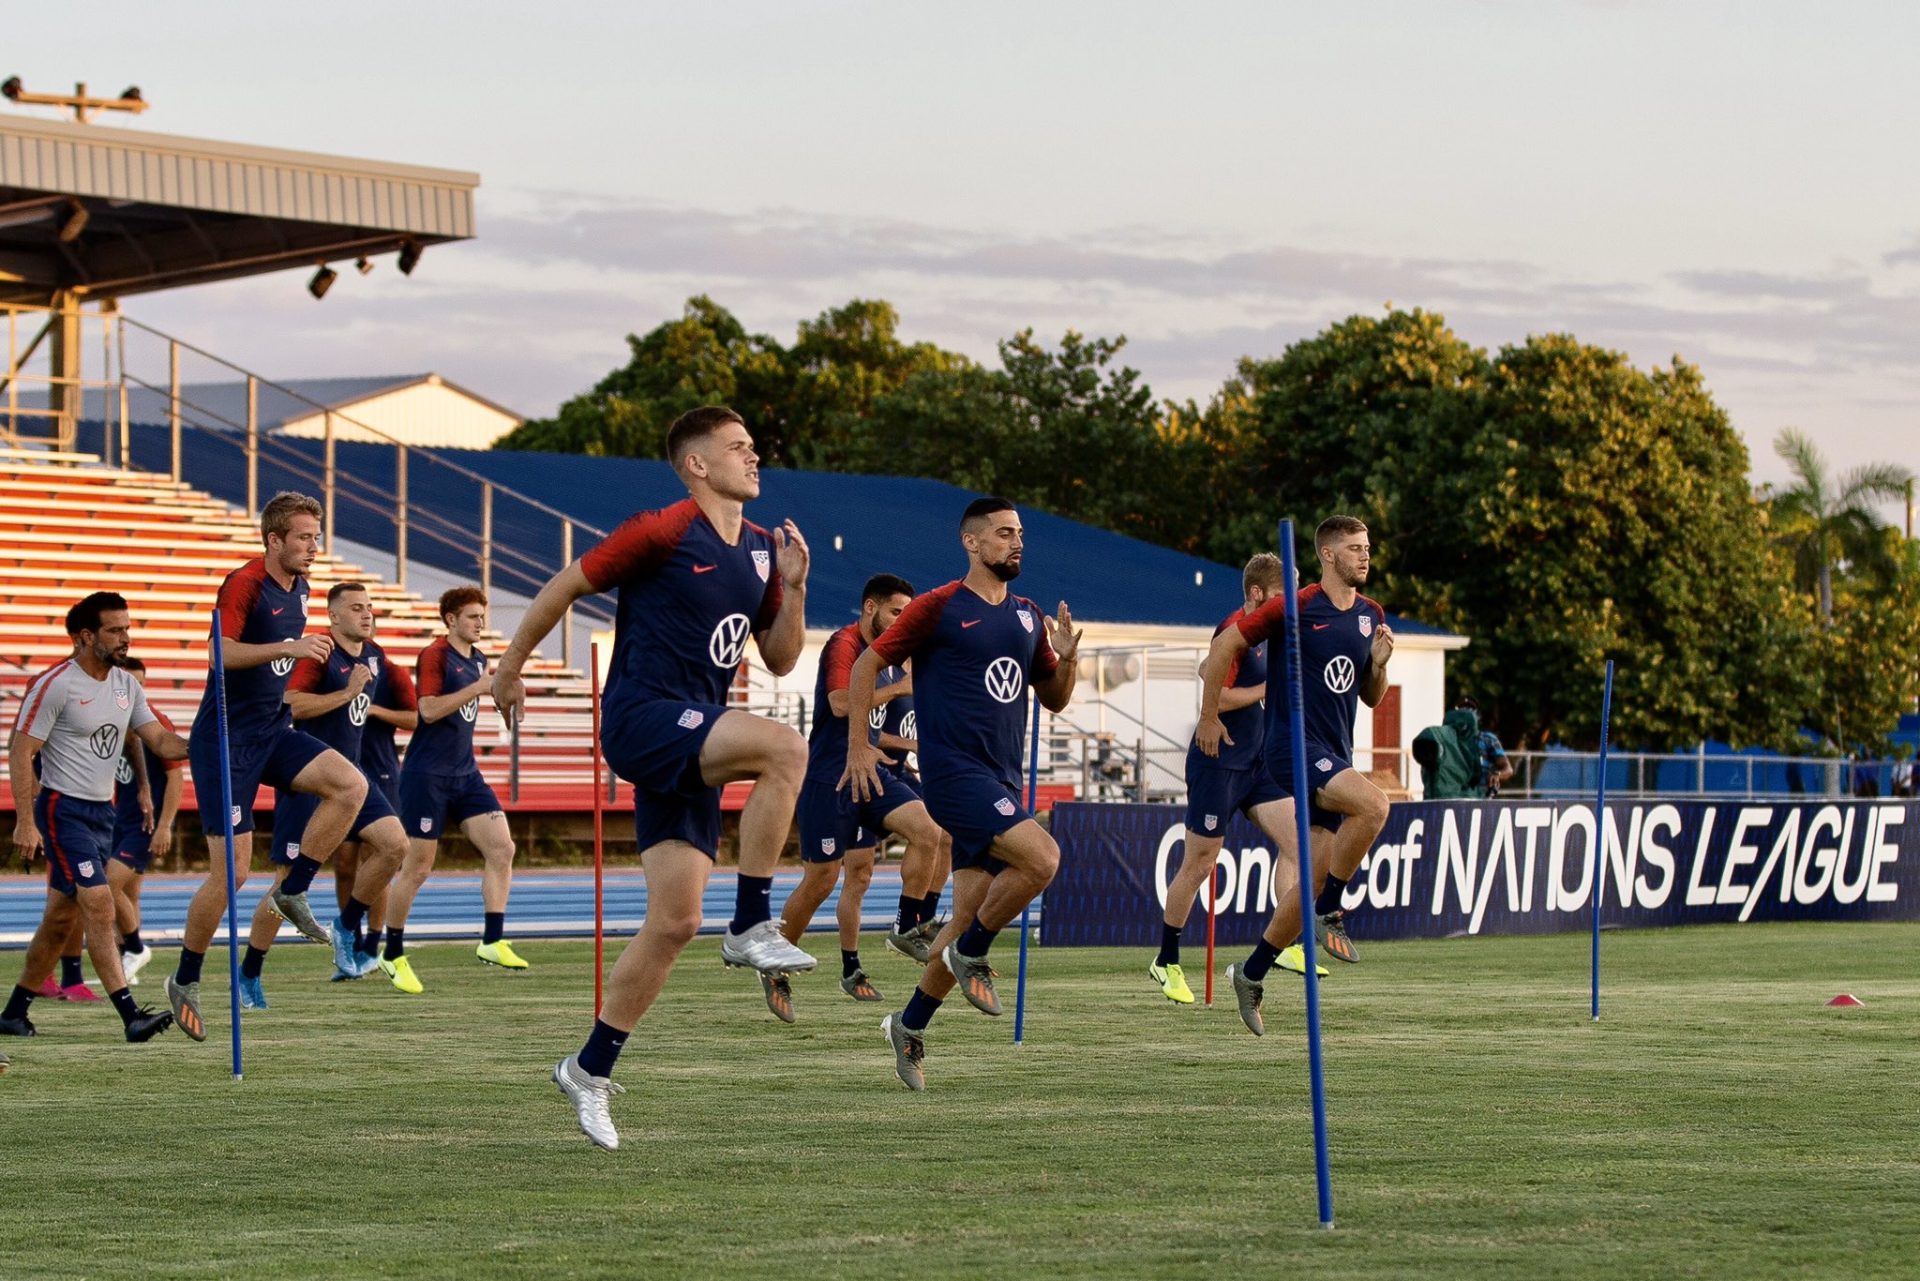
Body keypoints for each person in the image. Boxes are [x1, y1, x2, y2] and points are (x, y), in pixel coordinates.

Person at [493, 405, 814, 1151]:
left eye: (754, 447)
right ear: (697, 465)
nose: (754, 458)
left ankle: (588, 1067)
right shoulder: (662, 527)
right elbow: (561, 588)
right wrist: (509, 666)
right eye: (739, 448)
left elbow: (781, 657)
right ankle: (752, 922)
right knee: (786, 749)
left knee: (673, 921)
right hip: (643, 717)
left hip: (693, 734)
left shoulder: (766, 548)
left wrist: (794, 588)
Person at [844, 496, 1080, 1091]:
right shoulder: (939, 607)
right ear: (972, 543)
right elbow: (865, 666)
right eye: (1003, 534)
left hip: (1001, 779)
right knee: (1043, 858)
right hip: (954, 777)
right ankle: (972, 954)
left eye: (1019, 533)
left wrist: (1068, 661)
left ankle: (908, 1024)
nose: (1016, 543)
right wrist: (857, 745)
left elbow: (1054, 698)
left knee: (968, 915)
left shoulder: (1027, 617)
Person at [165, 492, 370, 1044]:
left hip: (272, 729)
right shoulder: (244, 583)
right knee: (231, 873)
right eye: (304, 536)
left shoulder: (301, 587)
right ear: (274, 539)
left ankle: (293, 889)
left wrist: (295, 650)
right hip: (226, 741)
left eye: (316, 535)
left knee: (350, 787)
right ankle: (185, 978)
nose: (313, 545)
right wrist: (292, 646)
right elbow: (221, 653)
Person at [1196, 515, 1396, 1036]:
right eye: (1354, 548)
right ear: (1328, 556)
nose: (1365, 556)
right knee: (1375, 806)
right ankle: (1332, 911)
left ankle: (1252, 971)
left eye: (1367, 547)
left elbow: (1371, 696)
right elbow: (1223, 649)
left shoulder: (1370, 614)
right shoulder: (1296, 607)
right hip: (1290, 747)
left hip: (1334, 750)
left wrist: (1377, 665)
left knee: (1305, 884)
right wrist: (1209, 715)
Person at [2, 592, 185, 1042]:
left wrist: (218, 740)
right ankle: (131, 1017)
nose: (126, 637)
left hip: (103, 812)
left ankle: (11, 1013)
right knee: (99, 905)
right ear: (86, 636)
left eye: (127, 628)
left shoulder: (126, 685)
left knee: (61, 918)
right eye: (115, 630)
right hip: (63, 810)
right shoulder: (56, 684)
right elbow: (21, 749)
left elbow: (161, 742)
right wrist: (25, 821)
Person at [765, 574, 947, 1021]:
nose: (903, 623)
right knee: (822, 881)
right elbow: (844, 704)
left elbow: (874, 726)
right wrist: (899, 688)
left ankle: (908, 924)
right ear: (871, 609)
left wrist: (908, 744)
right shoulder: (844, 644)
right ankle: (774, 964)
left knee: (931, 830)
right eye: (896, 613)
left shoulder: (893, 656)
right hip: (831, 778)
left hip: (873, 772)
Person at [240, 583, 417, 1005]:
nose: (366, 614)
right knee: (285, 882)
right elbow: (290, 704)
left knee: (395, 846)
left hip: (355, 776)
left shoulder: (375, 656)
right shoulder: (319, 653)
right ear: (334, 616)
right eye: (356, 608)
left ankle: (347, 924)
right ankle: (249, 973)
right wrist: (346, 693)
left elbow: (411, 713)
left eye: (369, 608)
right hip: (309, 779)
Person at [1150, 553, 1291, 1004]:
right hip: (1218, 759)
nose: (1289, 601)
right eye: (1282, 592)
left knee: (1301, 843)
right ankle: (1166, 960)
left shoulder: (1273, 631)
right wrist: (1264, 690)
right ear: (1257, 594)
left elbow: (1208, 669)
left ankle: (1284, 942)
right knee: (1201, 864)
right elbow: (1220, 694)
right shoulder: (1236, 627)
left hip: (1257, 763)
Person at [376, 586, 523, 994]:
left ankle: (492, 940)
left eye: (482, 616)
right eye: (472, 617)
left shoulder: (478, 659)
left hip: (465, 772)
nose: (479, 623)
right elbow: (428, 710)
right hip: (428, 775)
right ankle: (392, 953)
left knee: (502, 848)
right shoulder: (436, 656)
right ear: (451, 620)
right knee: (419, 868)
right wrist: (476, 689)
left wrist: (507, 696)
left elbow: (486, 698)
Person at [341, 611, 416, 969]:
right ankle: (349, 937)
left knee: (379, 856)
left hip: (381, 771)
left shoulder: (390, 670)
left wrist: (375, 709)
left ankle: (373, 940)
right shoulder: (334, 664)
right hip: (342, 770)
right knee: (343, 862)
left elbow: (416, 718)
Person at [105, 656, 183, 987]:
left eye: (139, 682)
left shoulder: (153, 720)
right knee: (129, 895)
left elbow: (176, 778)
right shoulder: (110, 717)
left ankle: (136, 948)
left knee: (107, 885)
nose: (132, 688)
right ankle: (128, 962)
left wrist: (165, 825)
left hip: (145, 824)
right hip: (118, 818)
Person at [878, 659, 951, 964]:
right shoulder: (882, 671)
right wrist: (909, 743)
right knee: (850, 875)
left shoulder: (919, 673)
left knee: (946, 832)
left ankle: (924, 917)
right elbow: (866, 730)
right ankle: (850, 961)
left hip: (900, 771)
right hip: (874, 770)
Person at [1412, 704, 1485, 800]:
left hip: (1447, 800)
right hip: (1448, 800)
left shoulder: (1445, 736)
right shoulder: (1444, 736)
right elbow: (1427, 738)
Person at [1455, 696, 1512, 797]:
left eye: (1470, 710)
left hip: (1481, 794)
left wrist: (1497, 774)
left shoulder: (1487, 739)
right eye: (1461, 710)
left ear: (1477, 716)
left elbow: (1508, 769)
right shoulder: (1450, 739)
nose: (1465, 714)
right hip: (1456, 794)